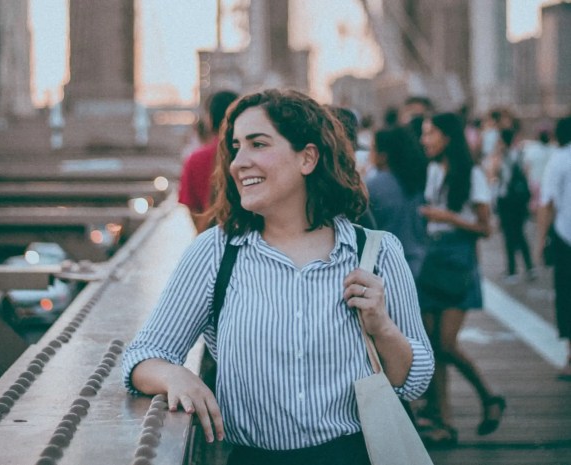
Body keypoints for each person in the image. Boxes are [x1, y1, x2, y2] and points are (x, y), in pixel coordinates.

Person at [123, 89, 434, 465]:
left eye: (258, 144)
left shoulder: (377, 252)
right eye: (236, 147)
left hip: (356, 454)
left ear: (307, 158)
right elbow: (143, 356)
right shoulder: (215, 253)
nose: (239, 162)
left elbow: (414, 380)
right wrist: (176, 376)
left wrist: (382, 327)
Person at [416, 112, 505, 445]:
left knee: (446, 343)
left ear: (447, 137)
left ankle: (488, 396)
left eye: (429, 133)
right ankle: (444, 421)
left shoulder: (473, 174)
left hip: (457, 261)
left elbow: (485, 228)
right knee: (431, 346)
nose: (425, 140)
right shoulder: (431, 170)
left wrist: (447, 217)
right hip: (432, 257)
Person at [535, 115, 571, 381]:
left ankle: (570, 357)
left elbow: (546, 204)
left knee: (567, 296)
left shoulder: (559, 159)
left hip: (565, 236)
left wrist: (540, 241)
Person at [366, 125, 428, 279]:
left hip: (384, 264)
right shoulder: (415, 181)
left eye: (373, 148)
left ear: (383, 155)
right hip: (416, 260)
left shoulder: (374, 185)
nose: (369, 153)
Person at [179, 89, 239, 232]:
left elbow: (191, 206)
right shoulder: (250, 155)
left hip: (211, 236)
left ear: (210, 118)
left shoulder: (196, 159)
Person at [492, 127, 535, 283]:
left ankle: (512, 270)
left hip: (506, 201)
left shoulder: (501, 157)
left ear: (502, 141)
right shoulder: (521, 154)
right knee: (520, 234)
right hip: (520, 201)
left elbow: (493, 175)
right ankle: (530, 267)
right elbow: (526, 174)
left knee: (509, 236)